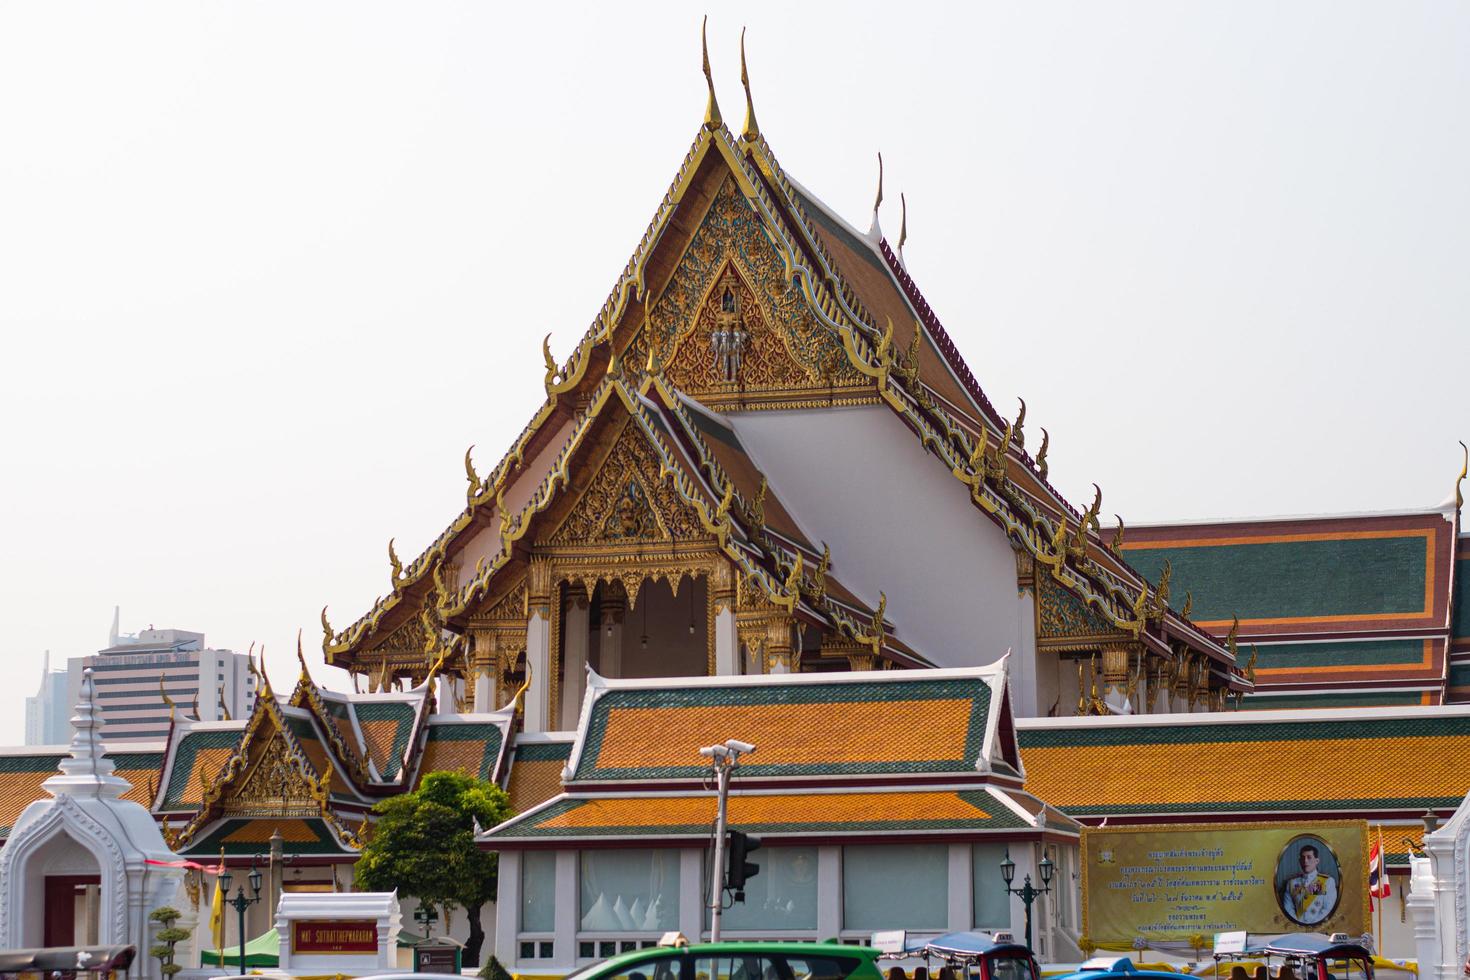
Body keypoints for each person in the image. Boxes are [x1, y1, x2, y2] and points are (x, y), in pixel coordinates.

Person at [1282, 844, 1338, 925]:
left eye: (1309, 857)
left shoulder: (1327, 881)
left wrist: (1312, 926)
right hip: (1297, 928)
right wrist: (1298, 925)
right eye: (1302, 857)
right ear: (1299, 861)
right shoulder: (1292, 883)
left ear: (1317, 861)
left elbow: (1328, 909)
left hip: (1319, 928)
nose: (1305, 861)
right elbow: (1288, 908)